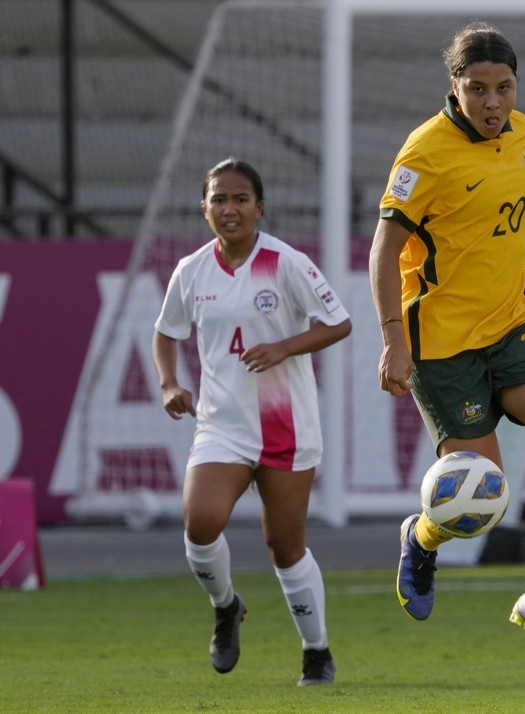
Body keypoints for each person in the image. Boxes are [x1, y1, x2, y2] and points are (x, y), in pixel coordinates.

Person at [368, 21, 525, 639]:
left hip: (509, 320)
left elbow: (499, 220)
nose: (493, 104)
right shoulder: (423, 153)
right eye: (478, 90)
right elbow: (383, 252)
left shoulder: (520, 131)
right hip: (442, 344)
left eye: (504, 87)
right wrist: (393, 340)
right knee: (482, 500)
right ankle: (422, 535)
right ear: (455, 87)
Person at [152, 158, 352, 685]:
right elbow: (166, 332)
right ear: (204, 209)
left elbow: (339, 322)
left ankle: (316, 650)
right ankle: (226, 606)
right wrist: (170, 383)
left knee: (285, 547)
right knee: (199, 523)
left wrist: (284, 346)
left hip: (287, 425)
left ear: (259, 207)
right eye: (219, 199)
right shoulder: (191, 270)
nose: (229, 208)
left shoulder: (287, 263)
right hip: (221, 424)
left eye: (240, 199)